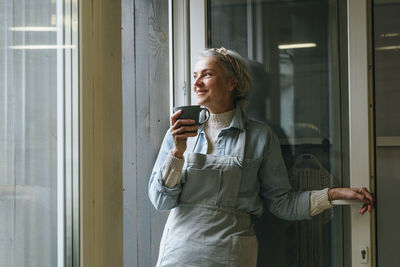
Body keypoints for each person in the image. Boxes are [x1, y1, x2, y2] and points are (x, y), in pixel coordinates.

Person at [148, 47, 374, 267]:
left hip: (231, 254)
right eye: (195, 75)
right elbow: (161, 201)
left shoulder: (260, 136)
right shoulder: (179, 134)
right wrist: (177, 152)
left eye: (207, 75)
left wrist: (334, 194)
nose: (196, 83)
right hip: (180, 253)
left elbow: (283, 204)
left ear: (231, 83)